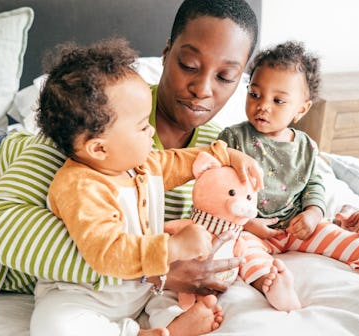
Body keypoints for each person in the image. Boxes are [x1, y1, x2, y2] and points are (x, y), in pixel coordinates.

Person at [0, 0, 359, 334]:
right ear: (166, 53)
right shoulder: (102, 106)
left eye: (225, 76)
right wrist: (152, 264)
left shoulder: (221, 146)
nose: (202, 87)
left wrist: (331, 208)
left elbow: (298, 170)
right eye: (190, 64)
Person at [32, 38, 266, 336]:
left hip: (145, 288)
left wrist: (228, 154)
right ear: (99, 149)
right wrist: (173, 247)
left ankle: (171, 322)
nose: (152, 131)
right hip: (88, 296)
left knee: (170, 296)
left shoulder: (142, 165)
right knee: (53, 324)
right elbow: (106, 251)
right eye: (143, 126)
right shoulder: (79, 186)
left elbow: (182, 162)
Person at [218, 41, 359, 305]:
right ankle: (271, 284)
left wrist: (313, 213)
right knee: (242, 251)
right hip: (252, 228)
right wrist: (245, 223)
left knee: (340, 237)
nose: (263, 105)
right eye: (255, 94)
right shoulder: (233, 138)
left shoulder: (305, 146)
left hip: (296, 225)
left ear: (301, 109)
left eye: (278, 100)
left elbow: (314, 185)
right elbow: (220, 189)